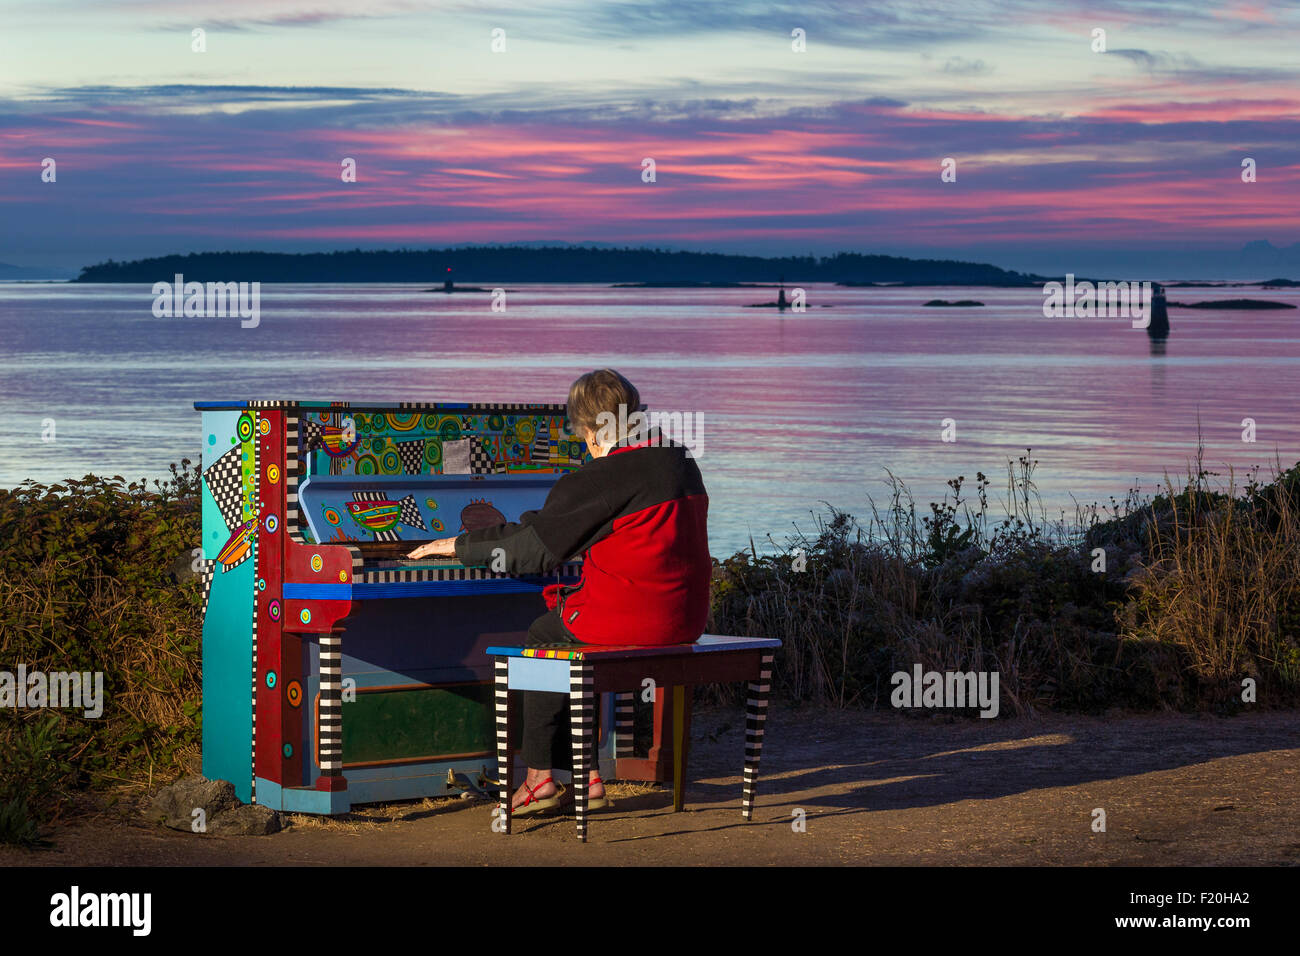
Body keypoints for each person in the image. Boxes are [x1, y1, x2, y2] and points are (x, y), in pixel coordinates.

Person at [407, 369, 710, 813]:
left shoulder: (605, 475)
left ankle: (539, 778)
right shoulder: (679, 459)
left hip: (636, 618)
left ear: (589, 430)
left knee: (545, 636)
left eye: (580, 431)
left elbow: (533, 551)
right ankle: (585, 778)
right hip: (685, 616)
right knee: (563, 629)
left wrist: (454, 544)